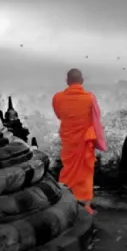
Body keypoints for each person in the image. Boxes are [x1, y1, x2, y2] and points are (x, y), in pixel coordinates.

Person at [52, 69, 106, 215]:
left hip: (69, 139)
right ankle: (85, 204)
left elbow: (59, 115)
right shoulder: (89, 98)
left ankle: (65, 199)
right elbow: (96, 116)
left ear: (67, 81)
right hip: (84, 141)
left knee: (68, 167)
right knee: (85, 172)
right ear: (81, 81)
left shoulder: (57, 97)